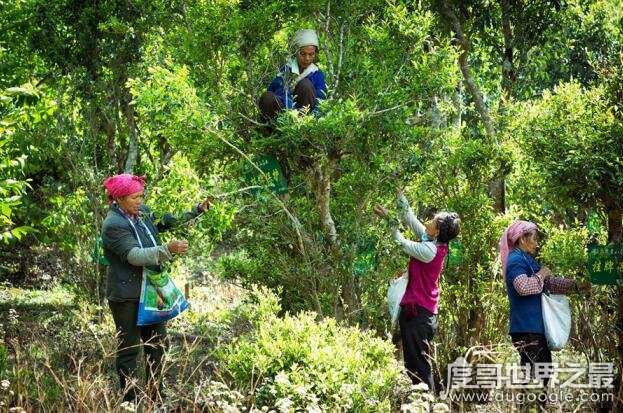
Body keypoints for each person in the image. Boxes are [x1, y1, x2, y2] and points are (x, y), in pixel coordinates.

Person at [101, 174, 211, 403]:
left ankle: (156, 398)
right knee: (129, 349)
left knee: (158, 344)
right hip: (127, 295)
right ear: (119, 198)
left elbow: (169, 220)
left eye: (141, 195)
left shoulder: (141, 212)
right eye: (134, 197)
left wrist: (197, 210)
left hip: (152, 290)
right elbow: (134, 256)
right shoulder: (114, 225)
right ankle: (130, 402)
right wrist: (167, 249)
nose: (140, 201)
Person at [374, 190, 461, 393]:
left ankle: (426, 404)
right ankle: (423, 403)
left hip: (419, 314)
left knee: (417, 367)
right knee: (414, 364)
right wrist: (400, 197)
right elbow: (411, 220)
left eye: (433, 221)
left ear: (437, 231)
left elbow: (401, 242)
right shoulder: (432, 241)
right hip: (421, 312)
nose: (429, 221)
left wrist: (389, 221)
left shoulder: (429, 251)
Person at [499, 221, 587, 388]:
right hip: (527, 329)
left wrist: (576, 285)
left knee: (541, 376)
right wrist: (542, 273)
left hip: (534, 329)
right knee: (536, 379)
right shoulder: (516, 260)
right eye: (534, 238)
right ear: (522, 239)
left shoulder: (526, 259)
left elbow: (548, 284)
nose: (537, 243)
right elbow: (524, 287)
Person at [258, 28, 327, 123]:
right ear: (296, 52)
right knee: (267, 97)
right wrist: (291, 109)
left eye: (311, 54)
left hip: (305, 119)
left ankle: (303, 127)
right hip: (283, 115)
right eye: (303, 54)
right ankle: (273, 131)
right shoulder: (286, 70)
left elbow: (321, 101)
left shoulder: (317, 73)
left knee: (305, 85)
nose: (307, 58)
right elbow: (273, 91)